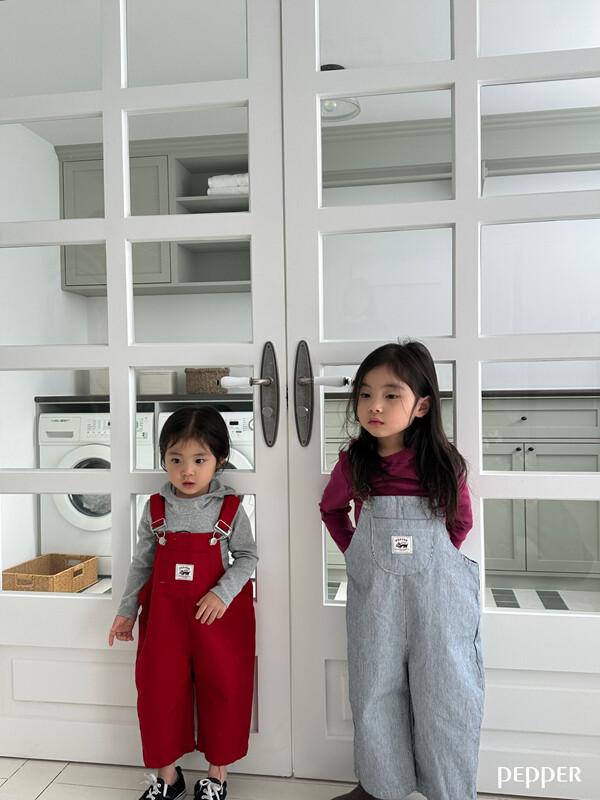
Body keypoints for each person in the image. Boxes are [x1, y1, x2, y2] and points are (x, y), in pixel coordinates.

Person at [320, 341, 484, 800]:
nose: (375, 405)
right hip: (378, 599)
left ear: (422, 406)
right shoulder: (354, 463)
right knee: (375, 688)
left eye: (391, 395)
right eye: (365, 394)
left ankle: (449, 790)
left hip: (439, 601)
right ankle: (379, 787)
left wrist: (437, 560)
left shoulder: (443, 463)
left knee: (446, 693)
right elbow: (332, 510)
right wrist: (357, 552)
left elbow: (460, 522)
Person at [109, 406, 257, 800]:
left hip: (217, 620)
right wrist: (126, 612)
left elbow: (248, 556)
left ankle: (216, 776)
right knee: (158, 691)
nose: (186, 471)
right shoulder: (155, 509)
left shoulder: (230, 509)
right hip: (164, 619)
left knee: (224, 689)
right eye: (176, 460)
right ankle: (168, 777)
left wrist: (222, 592)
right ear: (163, 459)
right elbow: (142, 564)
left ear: (219, 460)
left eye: (199, 460)